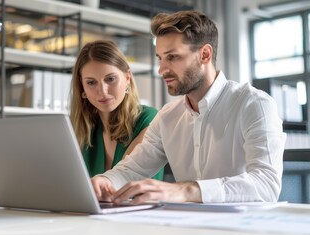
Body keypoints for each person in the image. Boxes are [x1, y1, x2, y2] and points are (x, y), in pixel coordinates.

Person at [91, 10, 286, 205]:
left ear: (205, 54)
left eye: (172, 57)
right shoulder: (167, 117)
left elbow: (266, 184)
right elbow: (132, 170)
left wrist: (186, 190)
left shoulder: (255, 105)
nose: (162, 69)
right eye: (160, 58)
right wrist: (104, 181)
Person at [0, 40, 164, 195]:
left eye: (110, 79)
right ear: (81, 87)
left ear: (127, 77)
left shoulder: (149, 119)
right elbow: (45, 175)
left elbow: (123, 180)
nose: (102, 91)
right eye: (91, 82)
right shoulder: (83, 129)